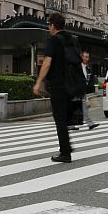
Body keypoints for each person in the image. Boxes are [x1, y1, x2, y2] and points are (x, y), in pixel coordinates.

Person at [33, 12, 78, 163]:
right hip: (72, 84)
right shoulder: (71, 39)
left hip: (58, 85)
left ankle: (65, 153)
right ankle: (67, 146)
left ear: (52, 25)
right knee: (65, 118)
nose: (48, 27)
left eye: (49, 24)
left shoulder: (53, 40)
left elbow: (47, 62)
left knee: (60, 119)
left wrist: (39, 82)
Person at [78, 51, 99, 131]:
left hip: (82, 90)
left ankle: (90, 123)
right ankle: (71, 124)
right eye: (85, 57)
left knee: (84, 107)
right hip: (76, 89)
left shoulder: (87, 67)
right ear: (81, 57)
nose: (87, 59)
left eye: (88, 57)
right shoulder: (77, 66)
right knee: (75, 106)